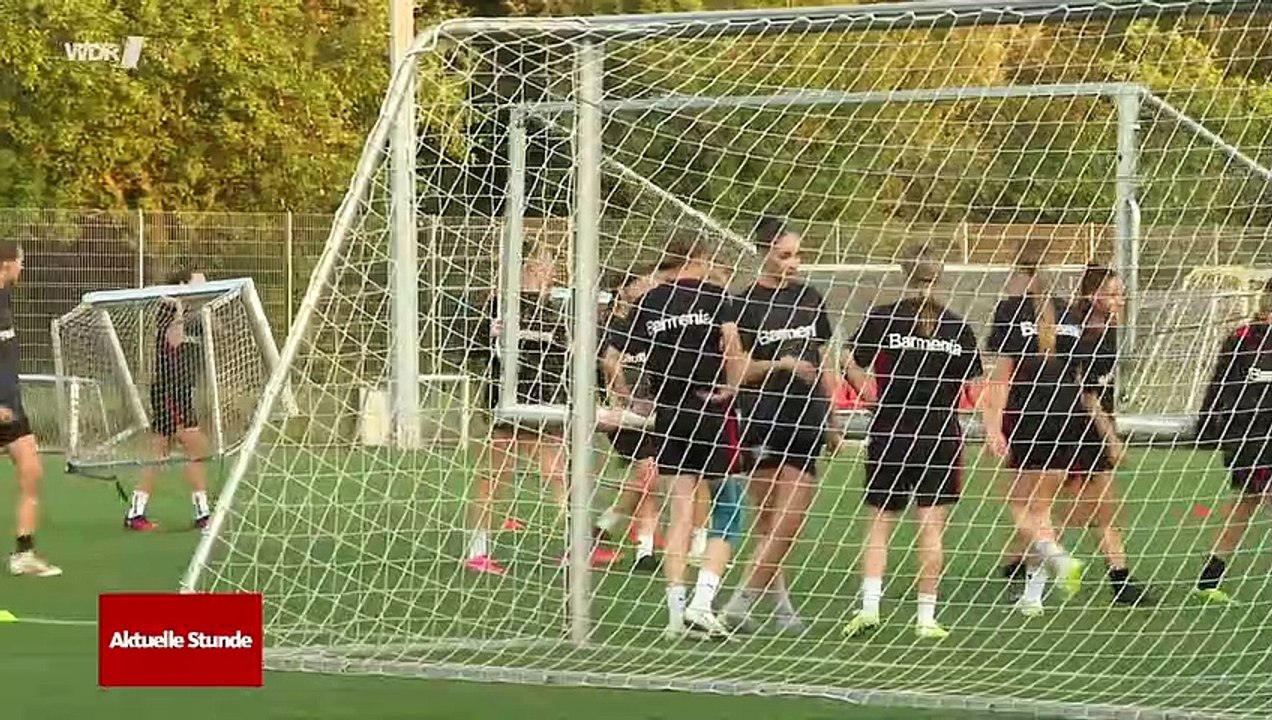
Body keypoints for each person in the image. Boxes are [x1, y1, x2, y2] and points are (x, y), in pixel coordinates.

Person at [840, 244, 983, 640]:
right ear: (942, 277)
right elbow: (974, 386)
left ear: (906, 274)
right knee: (932, 528)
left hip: (891, 430)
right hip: (940, 434)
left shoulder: (883, 318)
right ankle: (925, 617)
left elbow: (847, 358)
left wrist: (867, 393)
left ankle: (870, 608)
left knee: (879, 525)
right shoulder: (957, 327)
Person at [616, 235, 751, 639]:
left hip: (669, 412)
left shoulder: (651, 301)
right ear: (700, 259)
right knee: (730, 507)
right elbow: (731, 344)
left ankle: (676, 617)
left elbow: (620, 356)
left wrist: (634, 400)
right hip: (709, 407)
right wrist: (732, 387)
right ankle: (702, 603)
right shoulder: (716, 295)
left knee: (679, 514)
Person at [999, 265, 1154, 607]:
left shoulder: (1110, 333)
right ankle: (1034, 572)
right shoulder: (1076, 331)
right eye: (1111, 293)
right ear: (1091, 296)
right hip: (1076, 426)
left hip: (1084, 425)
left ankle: (1027, 572)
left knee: (1085, 509)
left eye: (1120, 292)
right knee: (1053, 508)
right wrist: (1110, 436)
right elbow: (1085, 392)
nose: (1119, 299)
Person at [721, 216, 841, 634]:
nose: (795, 262)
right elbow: (736, 370)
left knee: (791, 519)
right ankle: (781, 607)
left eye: (798, 254)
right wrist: (781, 364)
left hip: (805, 417)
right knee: (771, 520)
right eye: (786, 255)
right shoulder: (741, 304)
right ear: (764, 252)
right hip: (762, 416)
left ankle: (743, 599)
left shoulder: (810, 297)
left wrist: (832, 416)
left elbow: (822, 360)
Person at [466, 253, 618, 575]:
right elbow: (474, 349)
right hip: (508, 406)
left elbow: (563, 360)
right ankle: (477, 550)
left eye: (547, 267)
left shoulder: (555, 310)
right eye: (538, 267)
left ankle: (579, 546)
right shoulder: (502, 306)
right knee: (494, 478)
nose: (545, 272)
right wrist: (488, 333)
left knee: (561, 474)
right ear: (524, 271)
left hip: (545, 405)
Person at [983, 241, 1086, 615]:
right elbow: (1077, 374)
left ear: (1019, 273)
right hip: (1069, 417)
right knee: (1042, 508)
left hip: (1030, 416)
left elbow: (1002, 377)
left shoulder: (1011, 310)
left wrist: (993, 426)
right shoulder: (1069, 313)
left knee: (1019, 504)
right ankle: (1032, 597)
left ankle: (1057, 557)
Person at [1193, 276, 1272, 603]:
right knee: (1251, 502)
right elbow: (1218, 385)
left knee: (1245, 505)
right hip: (1251, 439)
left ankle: (1208, 579)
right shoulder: (1241, 340)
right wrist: (1207, 423)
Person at [126, 269, 214, 532]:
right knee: (194, 447)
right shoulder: (168, 309)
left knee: (160, 453)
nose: (204, 286)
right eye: (199, 281)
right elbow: (173, 341)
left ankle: (136, 512)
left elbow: (216, 332)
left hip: (179, 389)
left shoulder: (189, 312)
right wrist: (178, 309)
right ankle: (203, 513)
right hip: (169, 391)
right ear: (183, 284)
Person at [595, 270, 662, 572]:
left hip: (653, 412)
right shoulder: (609, 326)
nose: (651, 287)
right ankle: (611, 523)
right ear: (624, 289)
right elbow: (609, 365)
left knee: (648, 478)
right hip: (624, 414)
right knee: (648, 472)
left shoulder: (650, 323)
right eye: (644, 282)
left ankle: (643, 550)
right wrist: (625, 400)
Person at [0, 241, 60, 577]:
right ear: (6, 264)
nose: (24, 267)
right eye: (21, 262)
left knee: (31, 471)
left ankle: (24, 553)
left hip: (12, 408)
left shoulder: (6, 296)